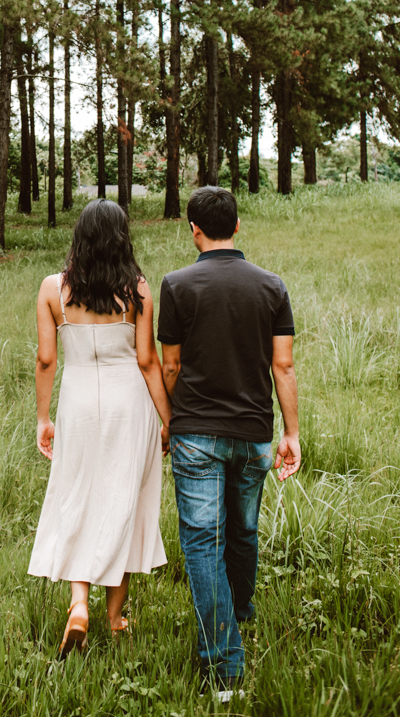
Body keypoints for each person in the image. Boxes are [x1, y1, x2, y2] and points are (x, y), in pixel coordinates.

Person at [158, 186, 301, 697]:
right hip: (253, 434)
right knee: (242, 533)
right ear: (237, 227)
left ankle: (225, 667)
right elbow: (282, 365)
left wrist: (167, 420)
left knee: (203, 543)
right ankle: (239, 615)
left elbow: (169, 365)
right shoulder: (271, 286)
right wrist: (291, 433)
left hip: (196, 433)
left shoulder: (176, 285)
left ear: (193, 230)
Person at [28, 199, 172, 658]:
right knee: (121, 500)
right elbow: (148, 362)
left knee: (77, 495)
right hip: (128, 401)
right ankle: (114, 616)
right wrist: (170, 422)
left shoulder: (53, 289)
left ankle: (78, 604)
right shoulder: (138, 291)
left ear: (80, 237)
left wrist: (43, 418)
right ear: (121, 238)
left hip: (78, 403)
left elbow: (47, 359)